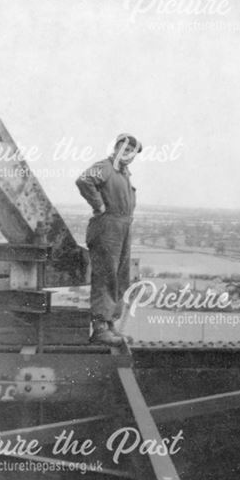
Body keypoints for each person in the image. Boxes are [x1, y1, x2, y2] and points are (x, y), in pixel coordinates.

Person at [76, 133, 141, 345]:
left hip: (123, 227)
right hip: (107, 227)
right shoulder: (105, 167)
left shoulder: (123, 174)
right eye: (124, 149)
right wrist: (98, 205)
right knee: (105, 275)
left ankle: (110, 323)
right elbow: (84, 180)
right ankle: (100, 328)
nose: (127, 154)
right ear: (116, 149)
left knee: (120, 276)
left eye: (131, 152)